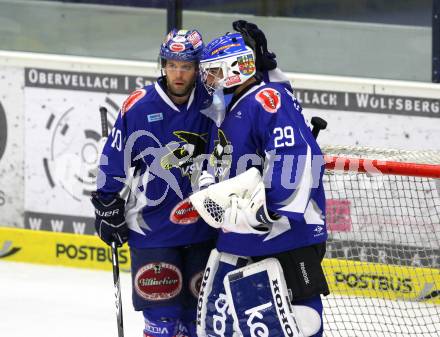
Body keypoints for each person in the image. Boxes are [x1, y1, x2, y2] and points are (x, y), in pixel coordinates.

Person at [193, 31, 330, 337]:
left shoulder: (265, 100)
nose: (209, 80)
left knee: (301, 322)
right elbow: (224, 161)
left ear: (234, 69)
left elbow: (296, 157)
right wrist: (207, 181)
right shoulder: (227, 108)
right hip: (246, 237)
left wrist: (269, 212)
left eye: (214, 71)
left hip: (286, 236)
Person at [91, 28, 217, 337]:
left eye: (186, 65)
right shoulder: (139, 106)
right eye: (171, 64)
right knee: (162, 322)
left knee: (197, 320)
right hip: (153, 230)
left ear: (198, 67)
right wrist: (107, 203)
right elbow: (114, 158)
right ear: (162, 64)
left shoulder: (215, 101)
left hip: (204, 228)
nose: (177, 72)